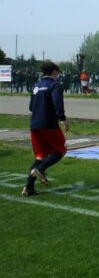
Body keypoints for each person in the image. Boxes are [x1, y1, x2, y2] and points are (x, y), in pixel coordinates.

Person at [22, 62, 69, 196]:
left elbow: (31, 107)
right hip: (48, 124)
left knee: (41, 156)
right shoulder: (55, 85)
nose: (59, 75)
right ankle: (41, 170)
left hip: (35, 124)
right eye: (58, 72)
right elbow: (57, 102)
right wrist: (63, 118)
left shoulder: (36, 86)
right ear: (54, 72)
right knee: (60, 150)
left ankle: (28, 187)